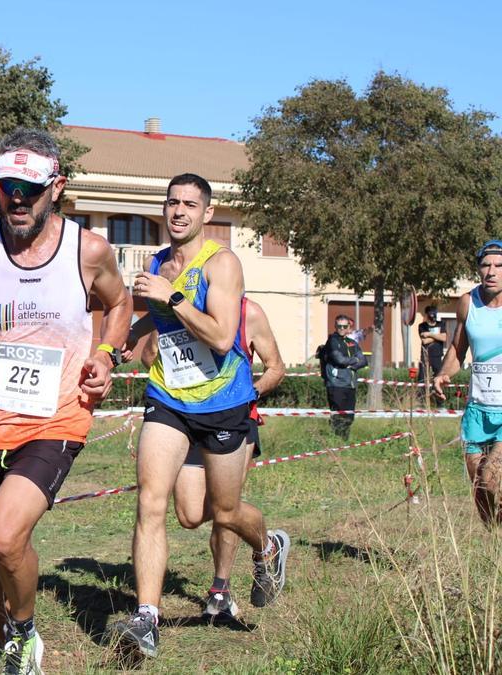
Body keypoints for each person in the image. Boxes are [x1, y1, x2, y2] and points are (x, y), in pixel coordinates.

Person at [0, 128, 132, 674]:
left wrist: (106, 355)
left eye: (29, 188)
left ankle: (24, 629)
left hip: (56, 415)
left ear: (55, 188)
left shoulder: (87, 250)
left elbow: (120, 302)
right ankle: (13, 649)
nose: (16, 198)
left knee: (5, 534)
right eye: (6, 187)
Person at [110, 174, 289, 658]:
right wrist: (129, 337)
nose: (179, 211)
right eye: (172, 202)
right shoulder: (158, 262)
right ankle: (146, 617)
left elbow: (218, 334)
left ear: (207, 214)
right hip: (169, 397)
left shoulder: (222, 264)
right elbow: (164, 317)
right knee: (154, 503)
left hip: (222, 405)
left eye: (191, 204)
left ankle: (267, 546)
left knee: (223, 513)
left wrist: (170, 296)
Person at [133, 297, 286, 623]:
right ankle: (268, 544)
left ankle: (222, 586)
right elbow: (148, 359)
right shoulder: (174, 311)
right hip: (184, 414)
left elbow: (275, 367)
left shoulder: (249, 312)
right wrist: (161, 330)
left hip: (233, 417)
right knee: (189, 515)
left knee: (224, 508)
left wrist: (251, 392)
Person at [433, 240, 502, 526]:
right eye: (486, 265)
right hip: (478, 409)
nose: (491, 272)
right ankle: (494, 541)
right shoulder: (467, 302)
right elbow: (457, 350)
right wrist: (443, 373)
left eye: (499, 266)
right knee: (479, 486)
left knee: (491, 478)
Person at [320, 315, 368, 439]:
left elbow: (364, 361)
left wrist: (353, 365)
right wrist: (355, 359)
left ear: (349, 327)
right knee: (338, 417)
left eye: (344, 326)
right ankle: (336, 441)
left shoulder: (352, 343)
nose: (341, 328)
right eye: (339, 326)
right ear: (335, 327)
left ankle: (344, 441)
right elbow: (339, 360)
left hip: (351, 385)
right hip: (336, 384)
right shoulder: (332, 341)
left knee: (349, 417)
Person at [417, 305, 446, 383]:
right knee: (422, 378)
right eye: (431, 314)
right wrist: (438, 336)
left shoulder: (441, 324)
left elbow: (444, 338)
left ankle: (436, 394)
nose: (432, 316)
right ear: (426, 314)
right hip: (425, 355)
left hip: (437, 355)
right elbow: (425, 341)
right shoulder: (422, 326)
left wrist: (429, 334)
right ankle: (422, 394)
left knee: (437, 378)